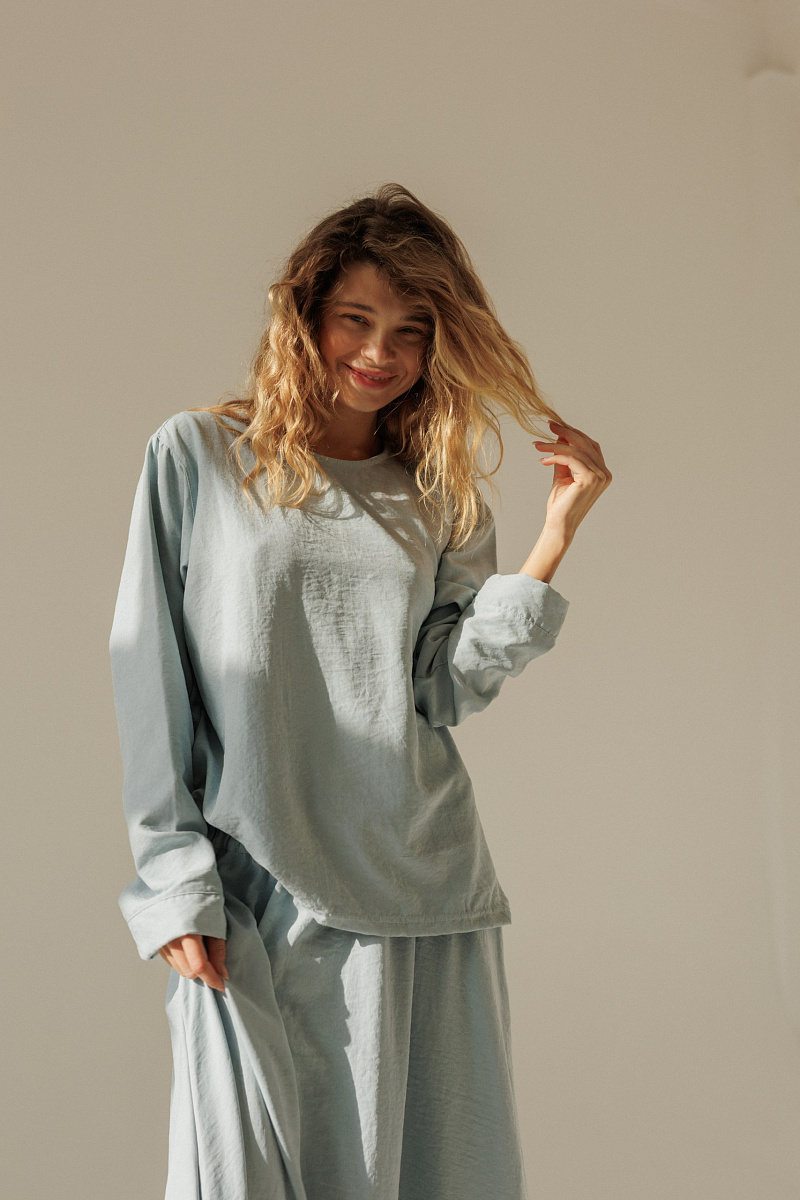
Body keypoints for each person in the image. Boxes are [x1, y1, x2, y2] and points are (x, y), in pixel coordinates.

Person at [108, 181, 611, 1200]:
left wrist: (554, 537)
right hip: (258, 886)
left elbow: (440, 690)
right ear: (306, 315)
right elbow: (148, 674)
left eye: (410, 330)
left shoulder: (439, 493)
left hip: (420, 888)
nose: (380, 352)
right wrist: (173, 881)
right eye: (356, 318)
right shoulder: (198, 457)